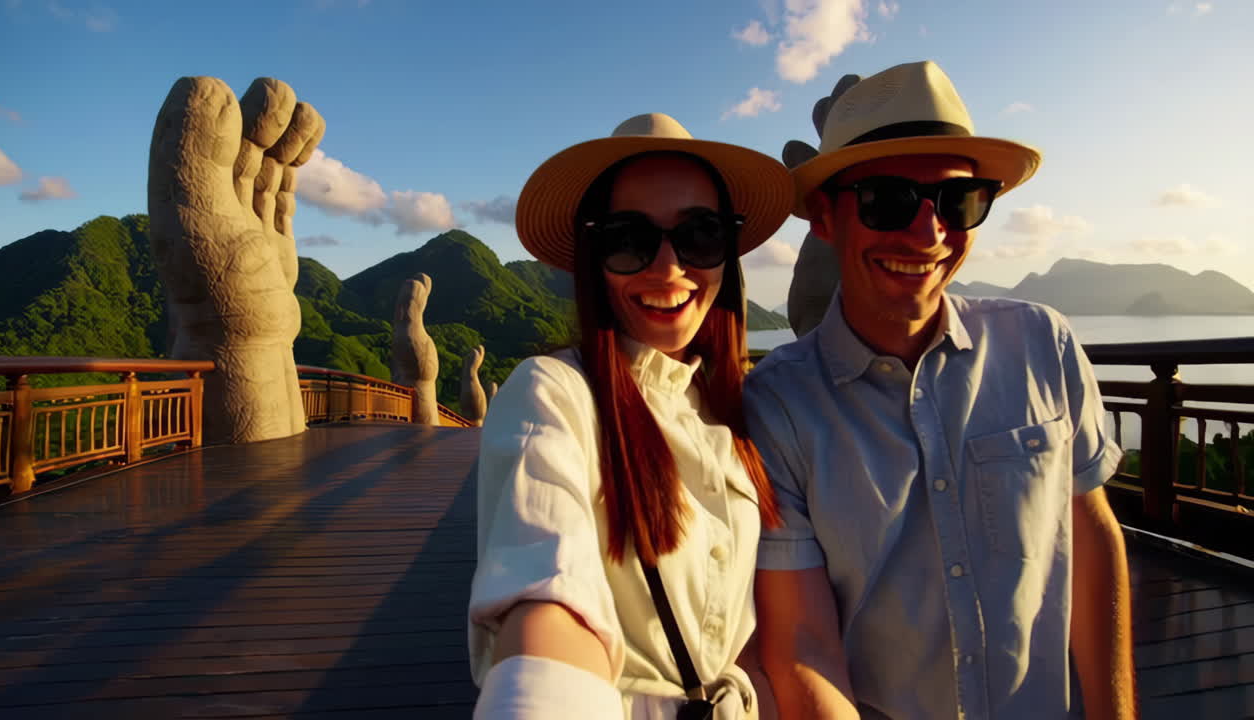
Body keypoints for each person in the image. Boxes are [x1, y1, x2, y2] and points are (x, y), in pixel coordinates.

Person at [744, 61, 1136, 720]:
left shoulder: (1044, 345)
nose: (928, 234)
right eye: (887, 200)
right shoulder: (778, 404)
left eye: (958, 201)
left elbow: (1092, 538)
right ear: (824, 216)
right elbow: (802, 643)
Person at [468, 113, 795, 719]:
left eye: (700, 234)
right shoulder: (553, 395)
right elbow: (546, 597)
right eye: (628, 239)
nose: (669, 267)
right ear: (594, 257)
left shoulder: (737, 407)